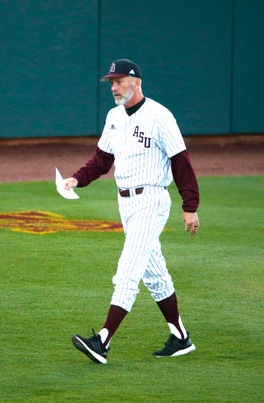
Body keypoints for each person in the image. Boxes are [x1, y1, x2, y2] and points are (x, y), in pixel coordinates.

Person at [65, 58, 200, 364]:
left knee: (128, 270)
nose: (114, 86)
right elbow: (101, 159)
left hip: (151, 201)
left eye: (119, 81)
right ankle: (180, 337)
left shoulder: (159, 116)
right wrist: (77, 178)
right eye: (111, 82)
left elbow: (181, 162)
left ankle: (102, 341)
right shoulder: (114, 116)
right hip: (125, 203)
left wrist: (189, 206)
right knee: (155, 276)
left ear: (136, 82)